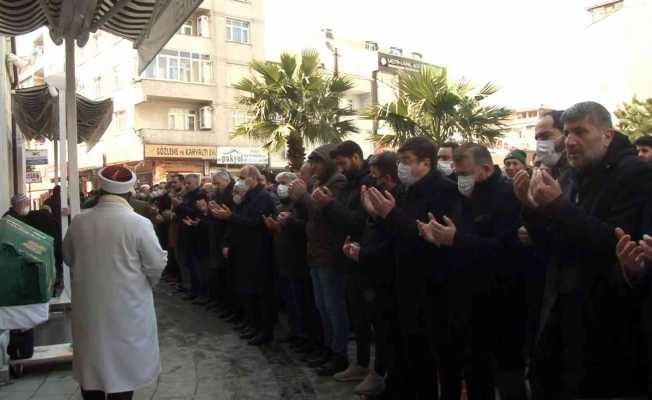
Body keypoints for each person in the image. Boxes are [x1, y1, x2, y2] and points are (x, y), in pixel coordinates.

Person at [513, 102, 652, 399]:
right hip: (563, 322)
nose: (570, 141)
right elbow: (556, 247)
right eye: (567, 133)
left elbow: (618, 243)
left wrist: (558, 207)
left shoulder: (634, 174)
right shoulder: (574, 176)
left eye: (580, 132)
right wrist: (532, 209)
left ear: (607, 135)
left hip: (606, 331)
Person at [421, 143, 525, 399]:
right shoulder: (463, 197)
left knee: (507, 372)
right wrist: (440, 239)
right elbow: (458, 239)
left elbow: (505, 249)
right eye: (457, 174)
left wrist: (456, 239)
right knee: (475, 369)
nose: (460, 180)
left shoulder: (507, 196)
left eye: (465, 174)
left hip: (502, 300)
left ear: (486, 168)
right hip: (467, 299)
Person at [363, 137, 462, 399]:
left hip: (433, 287)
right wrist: (378, 217)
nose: (401, 168)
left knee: (437, 357)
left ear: (426, 163)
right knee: (412, 353)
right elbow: (397, 235)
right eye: (399, 161)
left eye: (406, 162)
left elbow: (428, 234)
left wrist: (390, 215)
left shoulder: (444, 190)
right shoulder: (406, 191)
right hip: (405, 283)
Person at [62, 165, 167, 400]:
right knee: (123, 369)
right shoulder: (138, 223)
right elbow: (156, 265)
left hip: (89, 309)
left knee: (92, 365)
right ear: (130, 193)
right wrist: (144, 284)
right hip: (128, 308)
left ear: (99, 191)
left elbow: (68, 257)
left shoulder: (79, 222)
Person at [311, 140, 372, 379]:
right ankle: (354, 361)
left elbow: (357, 221)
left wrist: (328, 205)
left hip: (360, 257)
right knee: (349, 313)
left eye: (343, 163)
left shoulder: (365, 184)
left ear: (356, 157)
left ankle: (360, 364)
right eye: (337, 164)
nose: (341, 169)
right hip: (343, 255)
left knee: (354, 314)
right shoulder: (348, 183)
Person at [342, 151, 401, 397]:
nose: (373, 178)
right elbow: (374, 229)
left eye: (377, 173)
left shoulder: (399, 196)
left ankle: (383, 375)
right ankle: (376, 372)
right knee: (378, 326)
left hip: (391, 276)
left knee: (390, 331)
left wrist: (364, 253)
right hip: (373, 271)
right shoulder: (377, 193)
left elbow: (394, 237)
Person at [289, 144, 348, 374]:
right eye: (311, 162)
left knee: (334, 308)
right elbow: (308, 214)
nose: (313, 167)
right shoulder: (317, 183)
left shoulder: (337, 183)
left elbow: (325, 213)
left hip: (329, 255)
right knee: (322, 307)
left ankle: (339, 354)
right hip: (315, 252)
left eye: (317, 162)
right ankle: (328, 348)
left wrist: (303, 196)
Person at [214, 166, 276, 346]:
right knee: (248, 291)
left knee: (260, 293)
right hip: (244, 250)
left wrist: (230, 216)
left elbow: (255, 222)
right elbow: (238, 221)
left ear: (253, 178)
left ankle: (265, 331)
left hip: (259, 251)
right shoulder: (246, 197)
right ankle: (253, 325)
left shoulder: (263, 197)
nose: (239, 181)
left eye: (242, 177)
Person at [175, 174, 205, 303]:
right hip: (185, 232)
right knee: (189, 264)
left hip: (196, 234)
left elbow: (194, 212)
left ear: (196, 183)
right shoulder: (186, 195)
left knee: (196, 265)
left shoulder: (200, 195)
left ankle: (200, 293)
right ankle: (193, 291)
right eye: (186, 183)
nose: (186, 185)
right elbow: (181, 212)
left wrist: (181, 205)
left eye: (189, 183)